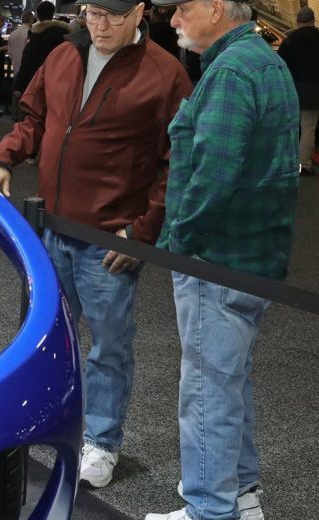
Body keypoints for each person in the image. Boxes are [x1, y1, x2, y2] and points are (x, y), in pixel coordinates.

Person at [0, 0, 193, 493]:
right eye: (92, 13)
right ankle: (42, 415)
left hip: (109, 241)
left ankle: (101, 440)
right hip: (51, 228)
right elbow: (34, 119)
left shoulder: (165, 74)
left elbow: (176, 163)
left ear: (139, 12)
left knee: (109, 347)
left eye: (112, 15)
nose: (100, 25)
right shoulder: (63, 55)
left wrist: (143, 233)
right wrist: (3, 157)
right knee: (44, 334)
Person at [145, 0, 299, 515]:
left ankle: (211, 508)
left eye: (182, 8)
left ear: (215, 8)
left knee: (208, 389)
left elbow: (213, 175)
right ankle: (241, 496)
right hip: (255, 255)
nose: (173, 20)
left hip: (219, 259)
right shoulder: (262, 61)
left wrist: (180, 241)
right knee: (229, 381)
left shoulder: (232, 71)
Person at [277, 6, 319, 176]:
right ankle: (304, 163)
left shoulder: (288, 41)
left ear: (298, 21)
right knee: (309, 127)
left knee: (293, 126)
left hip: (292, 89)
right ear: (313, 20)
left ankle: (289, 160)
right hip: (314, 90)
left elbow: (280, 66)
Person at [14, 1, 70, 97]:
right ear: (52, 14)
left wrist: (19, 86)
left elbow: (27, 60)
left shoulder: (36, 34)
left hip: (37, 80)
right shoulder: (65, 34)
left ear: (38, 15)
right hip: (59, 81)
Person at [7, 12, 33, 117]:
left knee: (15, 92)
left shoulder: (13, 34)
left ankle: (14, 115)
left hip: (16, 68)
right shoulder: (31, 34)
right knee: (26, 94)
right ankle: (22, 117)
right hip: (27, 70)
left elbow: (10, 53)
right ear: (31, 20)